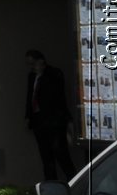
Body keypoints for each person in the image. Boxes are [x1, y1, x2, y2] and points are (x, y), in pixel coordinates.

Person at [24, 49, 77, 181]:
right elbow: (30, 96)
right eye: (29, 64)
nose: (31, 67)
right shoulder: (32, 76)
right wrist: (28, 115)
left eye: (33, 63)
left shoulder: (54, 74)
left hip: (54, 121)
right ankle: (51, 187)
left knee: (62, 155)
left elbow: (57, 97)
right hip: (38, 120)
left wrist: (66, 119)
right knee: (46, 157)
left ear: (41, 61)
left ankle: (75, 184)